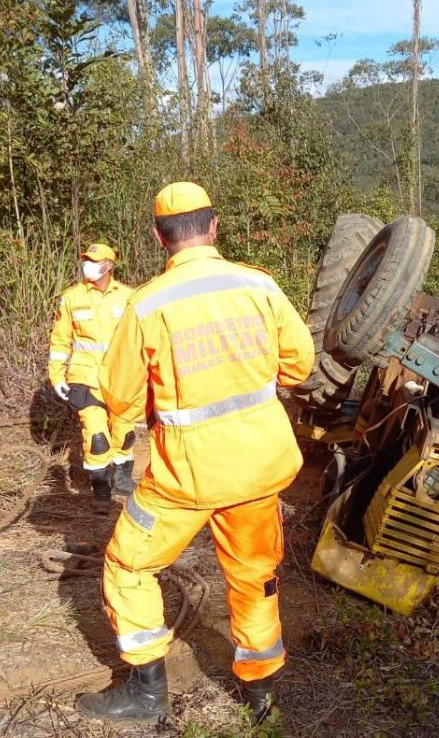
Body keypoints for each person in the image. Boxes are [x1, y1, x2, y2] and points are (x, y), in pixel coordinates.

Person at [75, 182, 315, 726]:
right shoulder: (259, 286)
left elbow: (120, 396)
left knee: (128, 565)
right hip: (259, 468)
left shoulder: (147, 303)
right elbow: (299, 366)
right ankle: (260, 696)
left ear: (159, 237)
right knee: (254, 577)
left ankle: (147, 694)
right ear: (213, 226)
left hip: (186, 478)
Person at [47, 242, 135, 513]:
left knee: (124, 433)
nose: (88, 265)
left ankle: (121, 479)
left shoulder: (130, 297)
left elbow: (141, 338)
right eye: (86, 259)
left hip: (122, 378)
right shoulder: (72, 297)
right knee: (97, 437)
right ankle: (101, 490)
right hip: (85, 378)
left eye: (94, 261)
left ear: (109, 265)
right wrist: (57, 376)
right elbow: (60, 340)